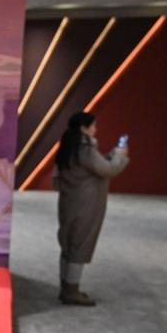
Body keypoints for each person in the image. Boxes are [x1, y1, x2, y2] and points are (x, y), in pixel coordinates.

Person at [53, 111, 129, 306]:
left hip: (70, 202)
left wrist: (111, 155)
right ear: (83, 128)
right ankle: (72, 290)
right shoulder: (85, 148)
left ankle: (66, 286)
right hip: (85, 204)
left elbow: (96, 165)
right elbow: (108, 169)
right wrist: (120, 156)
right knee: (80, 245)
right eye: (93, 125)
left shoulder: (69, 146)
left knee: (69, 244)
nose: (96, 129)